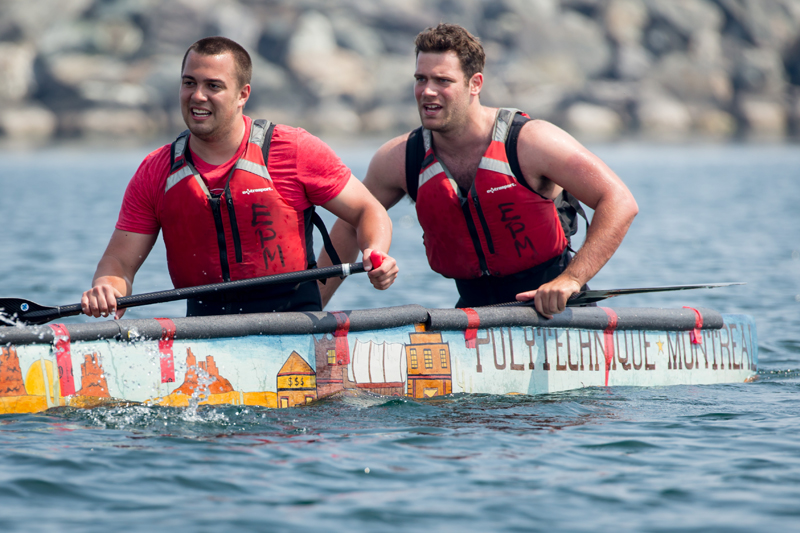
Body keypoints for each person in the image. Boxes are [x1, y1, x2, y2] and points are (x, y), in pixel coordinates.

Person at [318, 23, 638, 318]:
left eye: (443, 81)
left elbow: (619, 201)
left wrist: (571, 279)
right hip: (474, 316)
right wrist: (310, 311)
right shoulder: (400, 158)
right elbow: (349, 224)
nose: (427, 91)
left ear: (475, 84)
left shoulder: (532, 142)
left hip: (557, 308)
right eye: (421, 79)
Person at [82, 36, 397, 319]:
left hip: (293, 323)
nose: (198, 96)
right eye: (189, 83)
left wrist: (375, 252)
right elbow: (118, 263)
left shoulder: (294, 150)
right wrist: (107, 288)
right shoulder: (155, 171)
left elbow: (368, 211)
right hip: (205, 328)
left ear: (242, 94)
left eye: (213, 86)